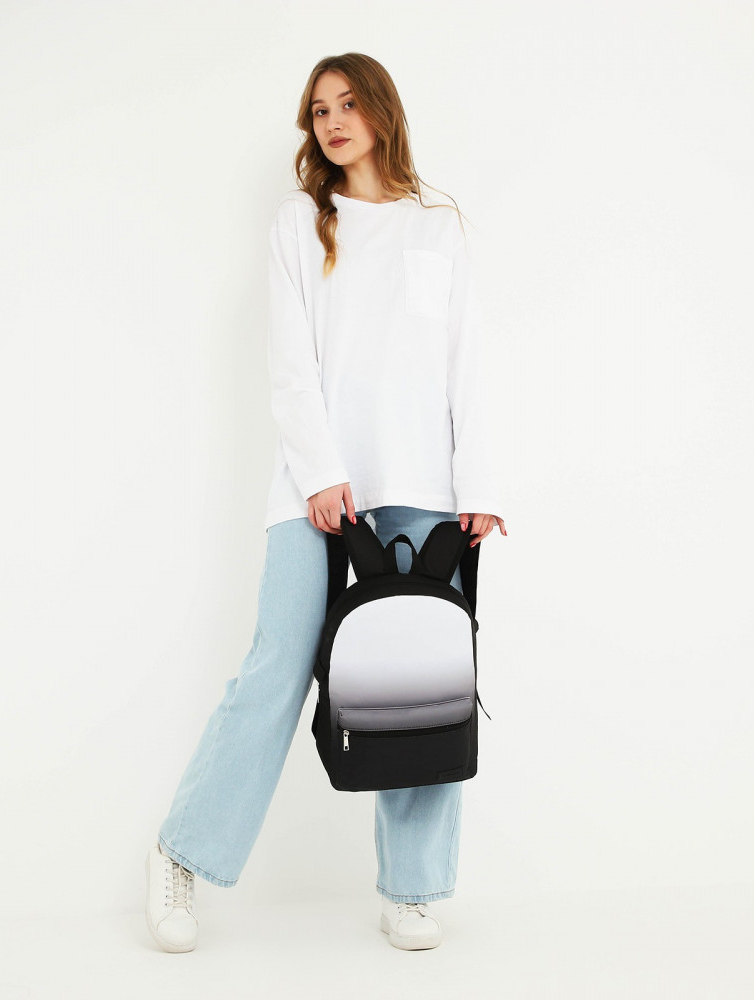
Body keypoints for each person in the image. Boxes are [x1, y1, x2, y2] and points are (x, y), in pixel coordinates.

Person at [145, 51, 506, 953]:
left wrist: (480, 487)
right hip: (317, 486)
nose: (333, 121)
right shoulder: (300, 223)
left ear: (381, 111)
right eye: (318, 110)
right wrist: (320, 472)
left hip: (424, 487)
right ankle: (182, 854)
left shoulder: (438, 229)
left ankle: (412, 890)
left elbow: (468, 365)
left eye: (348, 104)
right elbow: (290, 363)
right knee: (277, 667)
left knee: (424, 683)